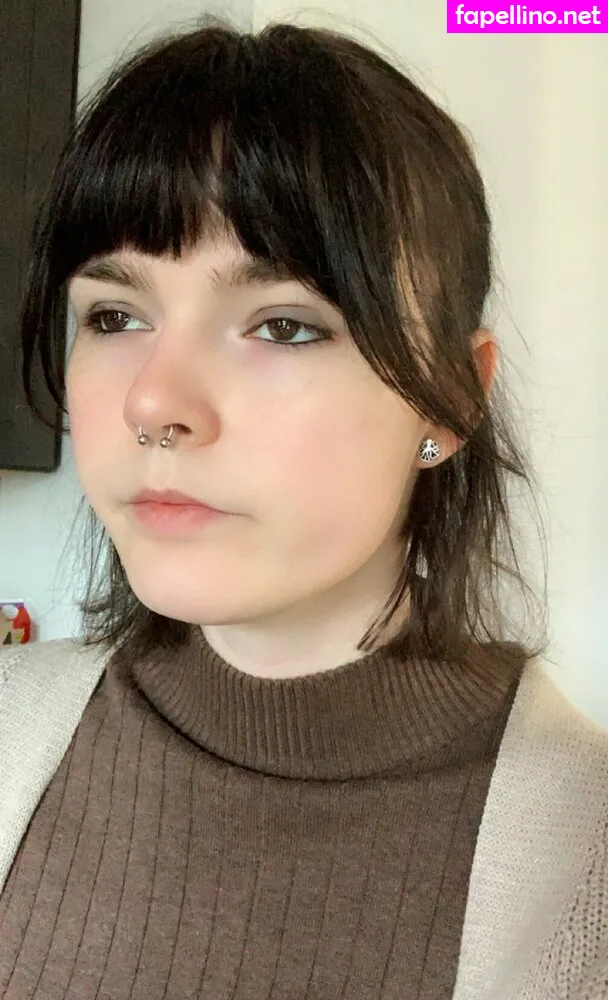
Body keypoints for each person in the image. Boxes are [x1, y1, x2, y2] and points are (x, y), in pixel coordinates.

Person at [0, 16, 607, 1000]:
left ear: (451, 400)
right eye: (114, 315)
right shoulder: (10, 727)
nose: (153, 402)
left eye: (282, 325)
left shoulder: (583, 853)